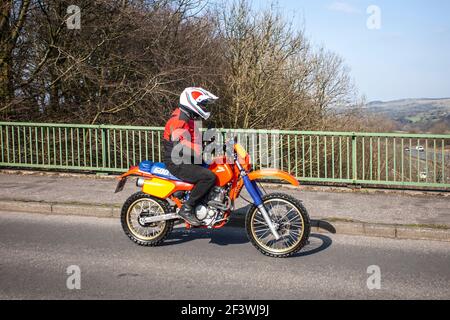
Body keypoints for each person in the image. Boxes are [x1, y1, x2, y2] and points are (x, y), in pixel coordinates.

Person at [163, 87, 218, 226]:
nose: (204, 107)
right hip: (177, 162)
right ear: (192, 102)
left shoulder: (190, 117)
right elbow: (181, 146)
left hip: (188, 159)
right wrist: (202, 149)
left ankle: (205, 202)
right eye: (202, 104)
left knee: (215, 168)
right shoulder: (179, 120)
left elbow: (194, 140)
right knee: (208, 177)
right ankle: (187, 208)